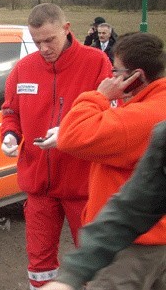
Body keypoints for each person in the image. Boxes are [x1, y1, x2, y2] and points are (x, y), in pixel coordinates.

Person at [0, 3, 112, 289]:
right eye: (37, 42)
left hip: (82, 184)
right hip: (39, 184)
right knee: (39, 264)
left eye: (50, 40)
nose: (44, 48)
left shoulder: (96, 63)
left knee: (95, 260)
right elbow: (10, 112)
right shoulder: (24, 69)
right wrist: (10, 136)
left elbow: (111, 117)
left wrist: (68, 132)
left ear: (67, 29)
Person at [51, 32, 166, 289]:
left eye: (117, 71)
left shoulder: (144, 115)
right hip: (153, 239)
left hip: (131, 247)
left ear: (137, 75)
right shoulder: (157, 103)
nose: (113, 76)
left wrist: (99, 96)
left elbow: (72, 137)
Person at [41, 120, 166, 290]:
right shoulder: (163, 135)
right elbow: (134, 207)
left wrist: (101, 94)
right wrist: (70, 276)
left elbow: (76, 135)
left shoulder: (152, 108)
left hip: (143, 248)